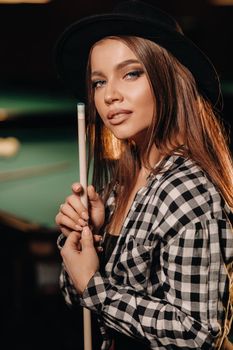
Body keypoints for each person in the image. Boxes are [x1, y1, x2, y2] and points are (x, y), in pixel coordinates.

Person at [54, 1, 233, 349]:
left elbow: (198, 333)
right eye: (98, 81)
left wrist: (95, 286)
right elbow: (74, 293)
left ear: (168, 78)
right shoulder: (121, 184)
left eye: (131, 73)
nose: (110, 95)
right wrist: (91, 236)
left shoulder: (188, 189)